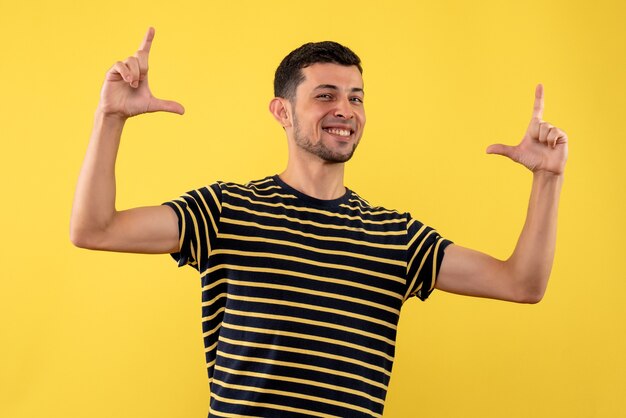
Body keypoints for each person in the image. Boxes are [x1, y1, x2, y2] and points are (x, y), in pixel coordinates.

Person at [70, 27, 568, 418]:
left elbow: (521, 283)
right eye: (326, 95)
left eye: (356, 97)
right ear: (281, 112)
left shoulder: (396, 238)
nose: (345, 110)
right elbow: (95, 229)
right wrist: (109, 118)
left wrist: (548, 179)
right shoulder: (226, 211)